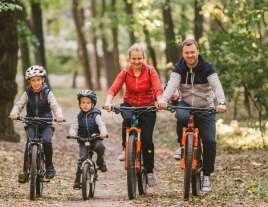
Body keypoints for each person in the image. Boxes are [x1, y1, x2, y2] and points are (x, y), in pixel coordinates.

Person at [158, 38, 226, 192]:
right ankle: (182, 147)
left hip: (205, 107)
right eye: (186, 53)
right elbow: (172, 85)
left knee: (209, 141)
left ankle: (207, 175)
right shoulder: (179, 68)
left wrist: (221, 102)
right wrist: (163, 99)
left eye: (192, 52)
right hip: (186, 104)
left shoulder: (207, 68)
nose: (189, 55)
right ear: (183, 53)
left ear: (197, 52)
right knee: (181, 117)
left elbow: (217, 87)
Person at [103, 43, 163, 187]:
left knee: (147, 140)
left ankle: (149, 172)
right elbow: (114, 88)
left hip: (147, 106)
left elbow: (157, 88)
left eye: (139, 58)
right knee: (127, 119)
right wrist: (108, 102)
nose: (136, 61)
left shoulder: (150, 71)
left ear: (144, 58)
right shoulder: (125, 72)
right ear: (129, 59)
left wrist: (160, 100)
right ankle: (126, 148)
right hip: (129, 104)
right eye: (133, 59)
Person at [10, 65, 64, 182]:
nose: (36, 83)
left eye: (38, 80)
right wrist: (14, 113)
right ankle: (25, 170)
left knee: (47, 141)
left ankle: (49, 166)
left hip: (46, 123)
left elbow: (55, 105)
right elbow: (19, 104)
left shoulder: (47, 93)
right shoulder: (27, 93)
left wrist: (58, 115)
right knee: (29, 143)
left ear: (43, 80)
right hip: (31, 122)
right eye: (33, 80)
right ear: (29, 82)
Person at [69, 90, 108, 189]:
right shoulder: (78, 117)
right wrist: (72, 133)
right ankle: (78, 179)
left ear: (93, 104)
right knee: (81, 159)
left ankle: (100, 161)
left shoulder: (96, 115)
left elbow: (101, 125)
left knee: (100, 146)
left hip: (95, 139)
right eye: (83, 102)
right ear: (79, 104)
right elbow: (74, 126)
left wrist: (103, 132)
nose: (85, 105)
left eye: (88, 103)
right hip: (83, 140)